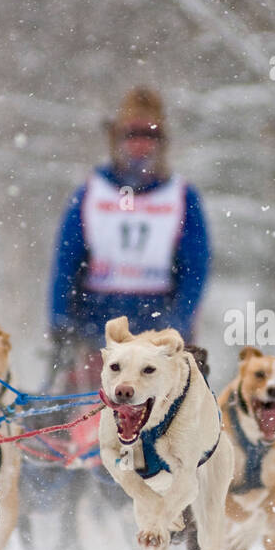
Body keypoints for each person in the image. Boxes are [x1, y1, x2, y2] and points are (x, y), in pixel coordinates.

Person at [47, 86, 211, 394]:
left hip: (158, 335)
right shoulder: (91, 193)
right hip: (93, 336)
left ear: (162, 143)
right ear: (116, 139)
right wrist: (61, 325)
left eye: (150, 136)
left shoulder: (182, 197)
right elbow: (65, 264)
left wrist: (176, 324)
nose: (140, 145)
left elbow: (195, 271)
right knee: (61, 420)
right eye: (132, 135)